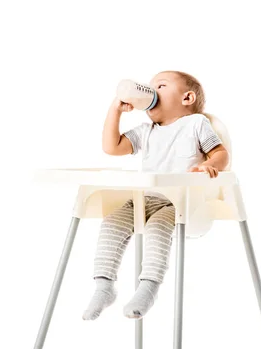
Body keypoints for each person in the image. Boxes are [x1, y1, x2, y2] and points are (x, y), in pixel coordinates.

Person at [82, 70, 229, 321]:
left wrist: (210, 164)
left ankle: (148, 288)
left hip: (179, 202)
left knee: (158, 227)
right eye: (149, 87)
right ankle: (104, 285)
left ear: (187, 98)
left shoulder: (196, 123)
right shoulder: (146, 130)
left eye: (160, 86)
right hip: (145, 198)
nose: (150, 92)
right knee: (112, 222)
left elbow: (220, 152)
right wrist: (115, 110)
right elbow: (112, 147)